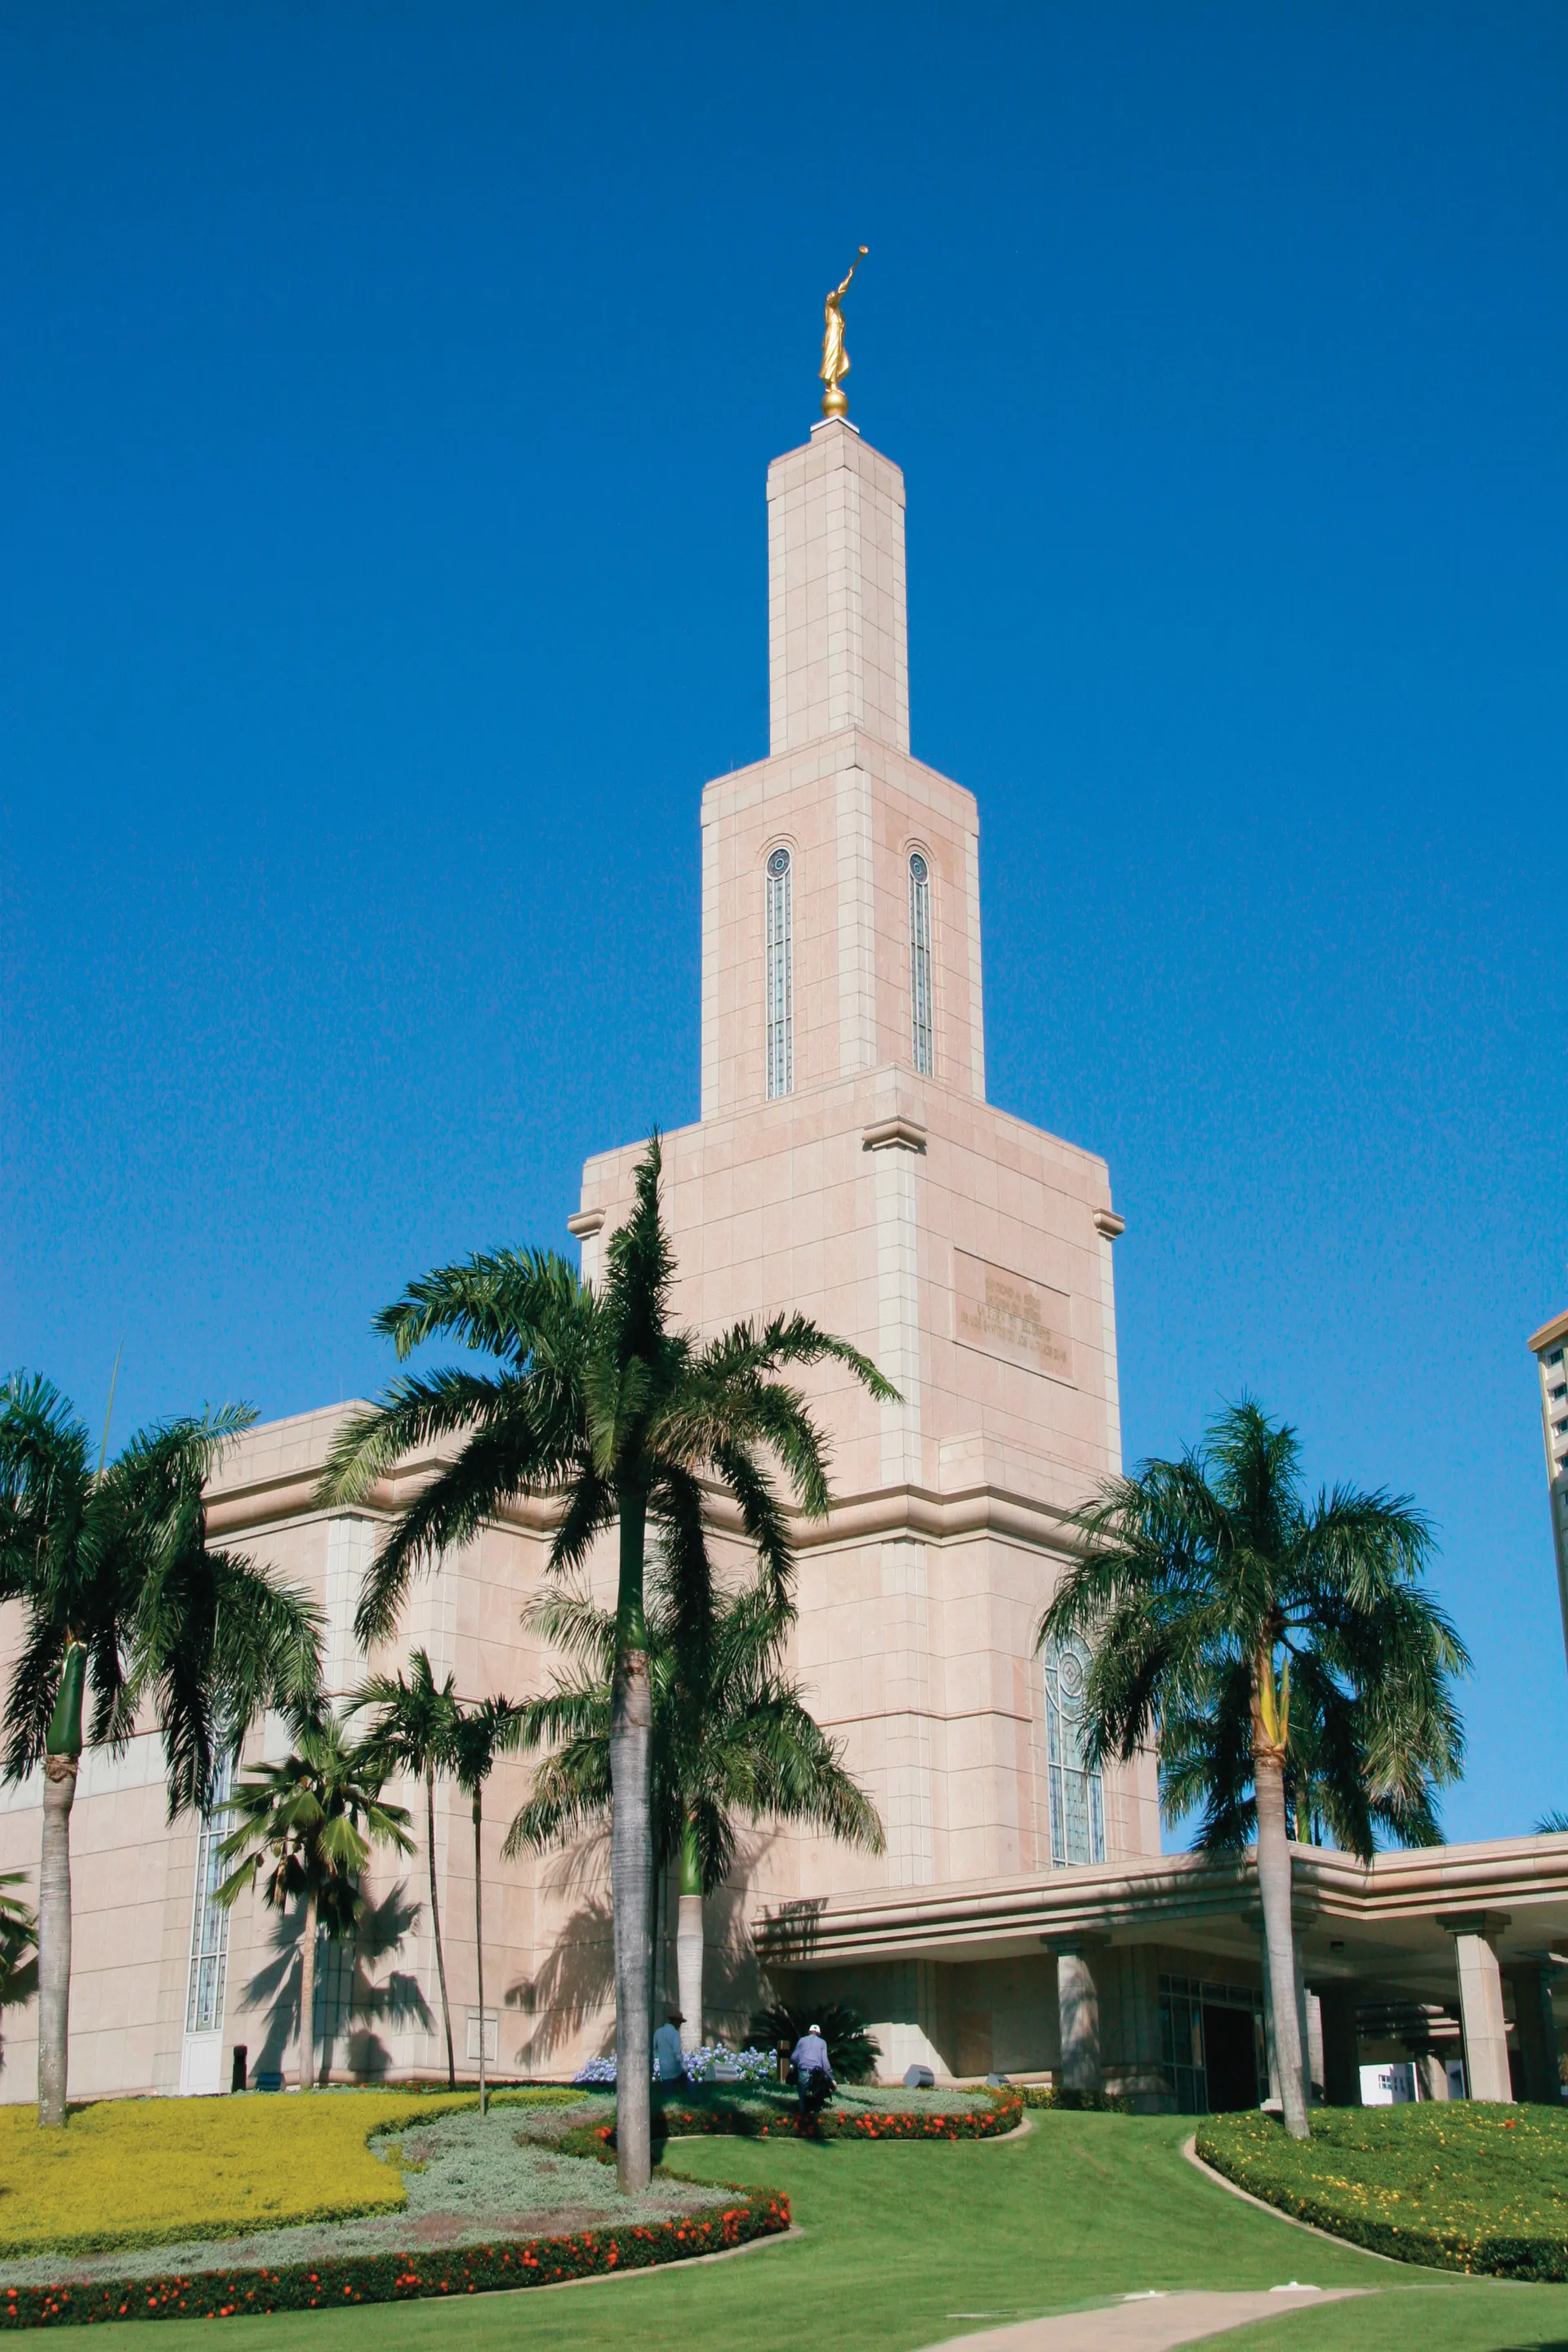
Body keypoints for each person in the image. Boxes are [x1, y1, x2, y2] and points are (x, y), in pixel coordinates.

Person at [791, 2021, 835, 2122]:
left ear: (809, 2032)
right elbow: (825, 2063)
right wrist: (831, 2078)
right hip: (817, 2075)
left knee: (802, 2099)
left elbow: (793, 2058)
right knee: (817, 2099)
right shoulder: (822, 2042)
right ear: (819, 2034)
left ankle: (802, 2122)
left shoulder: (801, 2041)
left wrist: (799, 2062)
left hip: (803, 2073)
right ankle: (816, 2121)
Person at [653, 2011, 686, 2082]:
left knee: (667, 2092)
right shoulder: (674, 2033)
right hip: (675, 2070)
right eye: (680, 2023)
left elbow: (654, 2049)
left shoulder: (658, 2032)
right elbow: (677, 2052)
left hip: (663, 2070)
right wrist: (684, 2066)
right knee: (688, 2088)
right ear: (675, 2021)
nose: (680, 2026)